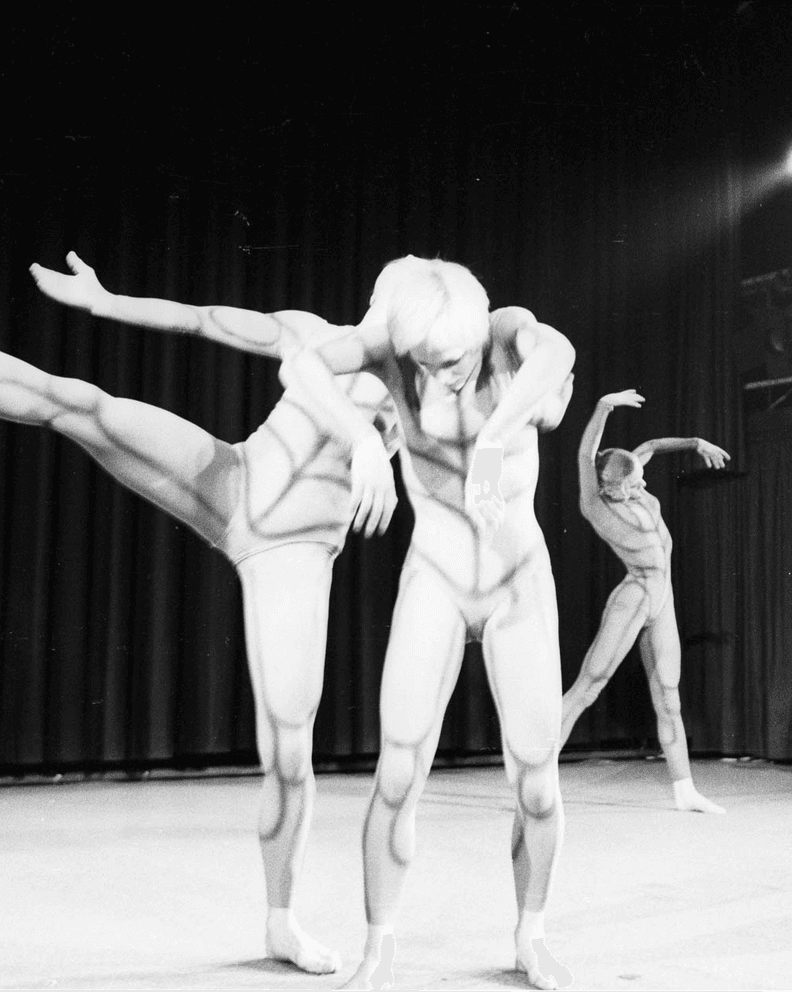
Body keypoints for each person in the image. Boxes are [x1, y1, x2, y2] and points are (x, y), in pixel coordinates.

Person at [0, 246, 402, 976]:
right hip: (232, 479)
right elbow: (200, 321)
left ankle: (281, 920)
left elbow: (484, 450)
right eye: (380, 310)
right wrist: (105, 302)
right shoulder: (312, 335)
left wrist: (489, 499)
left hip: (295, 553)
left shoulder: (425, 397)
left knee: (290, 755)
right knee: (80, 404)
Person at [266, 255, 576, 990]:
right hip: (436, 573)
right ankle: (381, 944)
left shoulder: (504, 336)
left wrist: (500, 426)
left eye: (459, 358)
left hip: (514, 578)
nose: (451, 373)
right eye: (432, 362)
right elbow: (299, 368)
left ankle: (532, 936)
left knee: (536, 780)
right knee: (399, 771)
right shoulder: (389, 354)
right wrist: (363, 436)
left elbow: (558, 355)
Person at [559, 389, 729, 815]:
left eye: (640, 479)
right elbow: (585, 456)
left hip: (662, 601)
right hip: (634, 597)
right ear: (609, 486)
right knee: (587, 689)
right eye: (634, 483)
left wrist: (695, 443)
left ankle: (685, 789)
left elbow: (650, 448)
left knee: (669, 697)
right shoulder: (595, 504)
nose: (643, 485)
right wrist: (603, 407)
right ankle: (535, 778)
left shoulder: (629, 477)